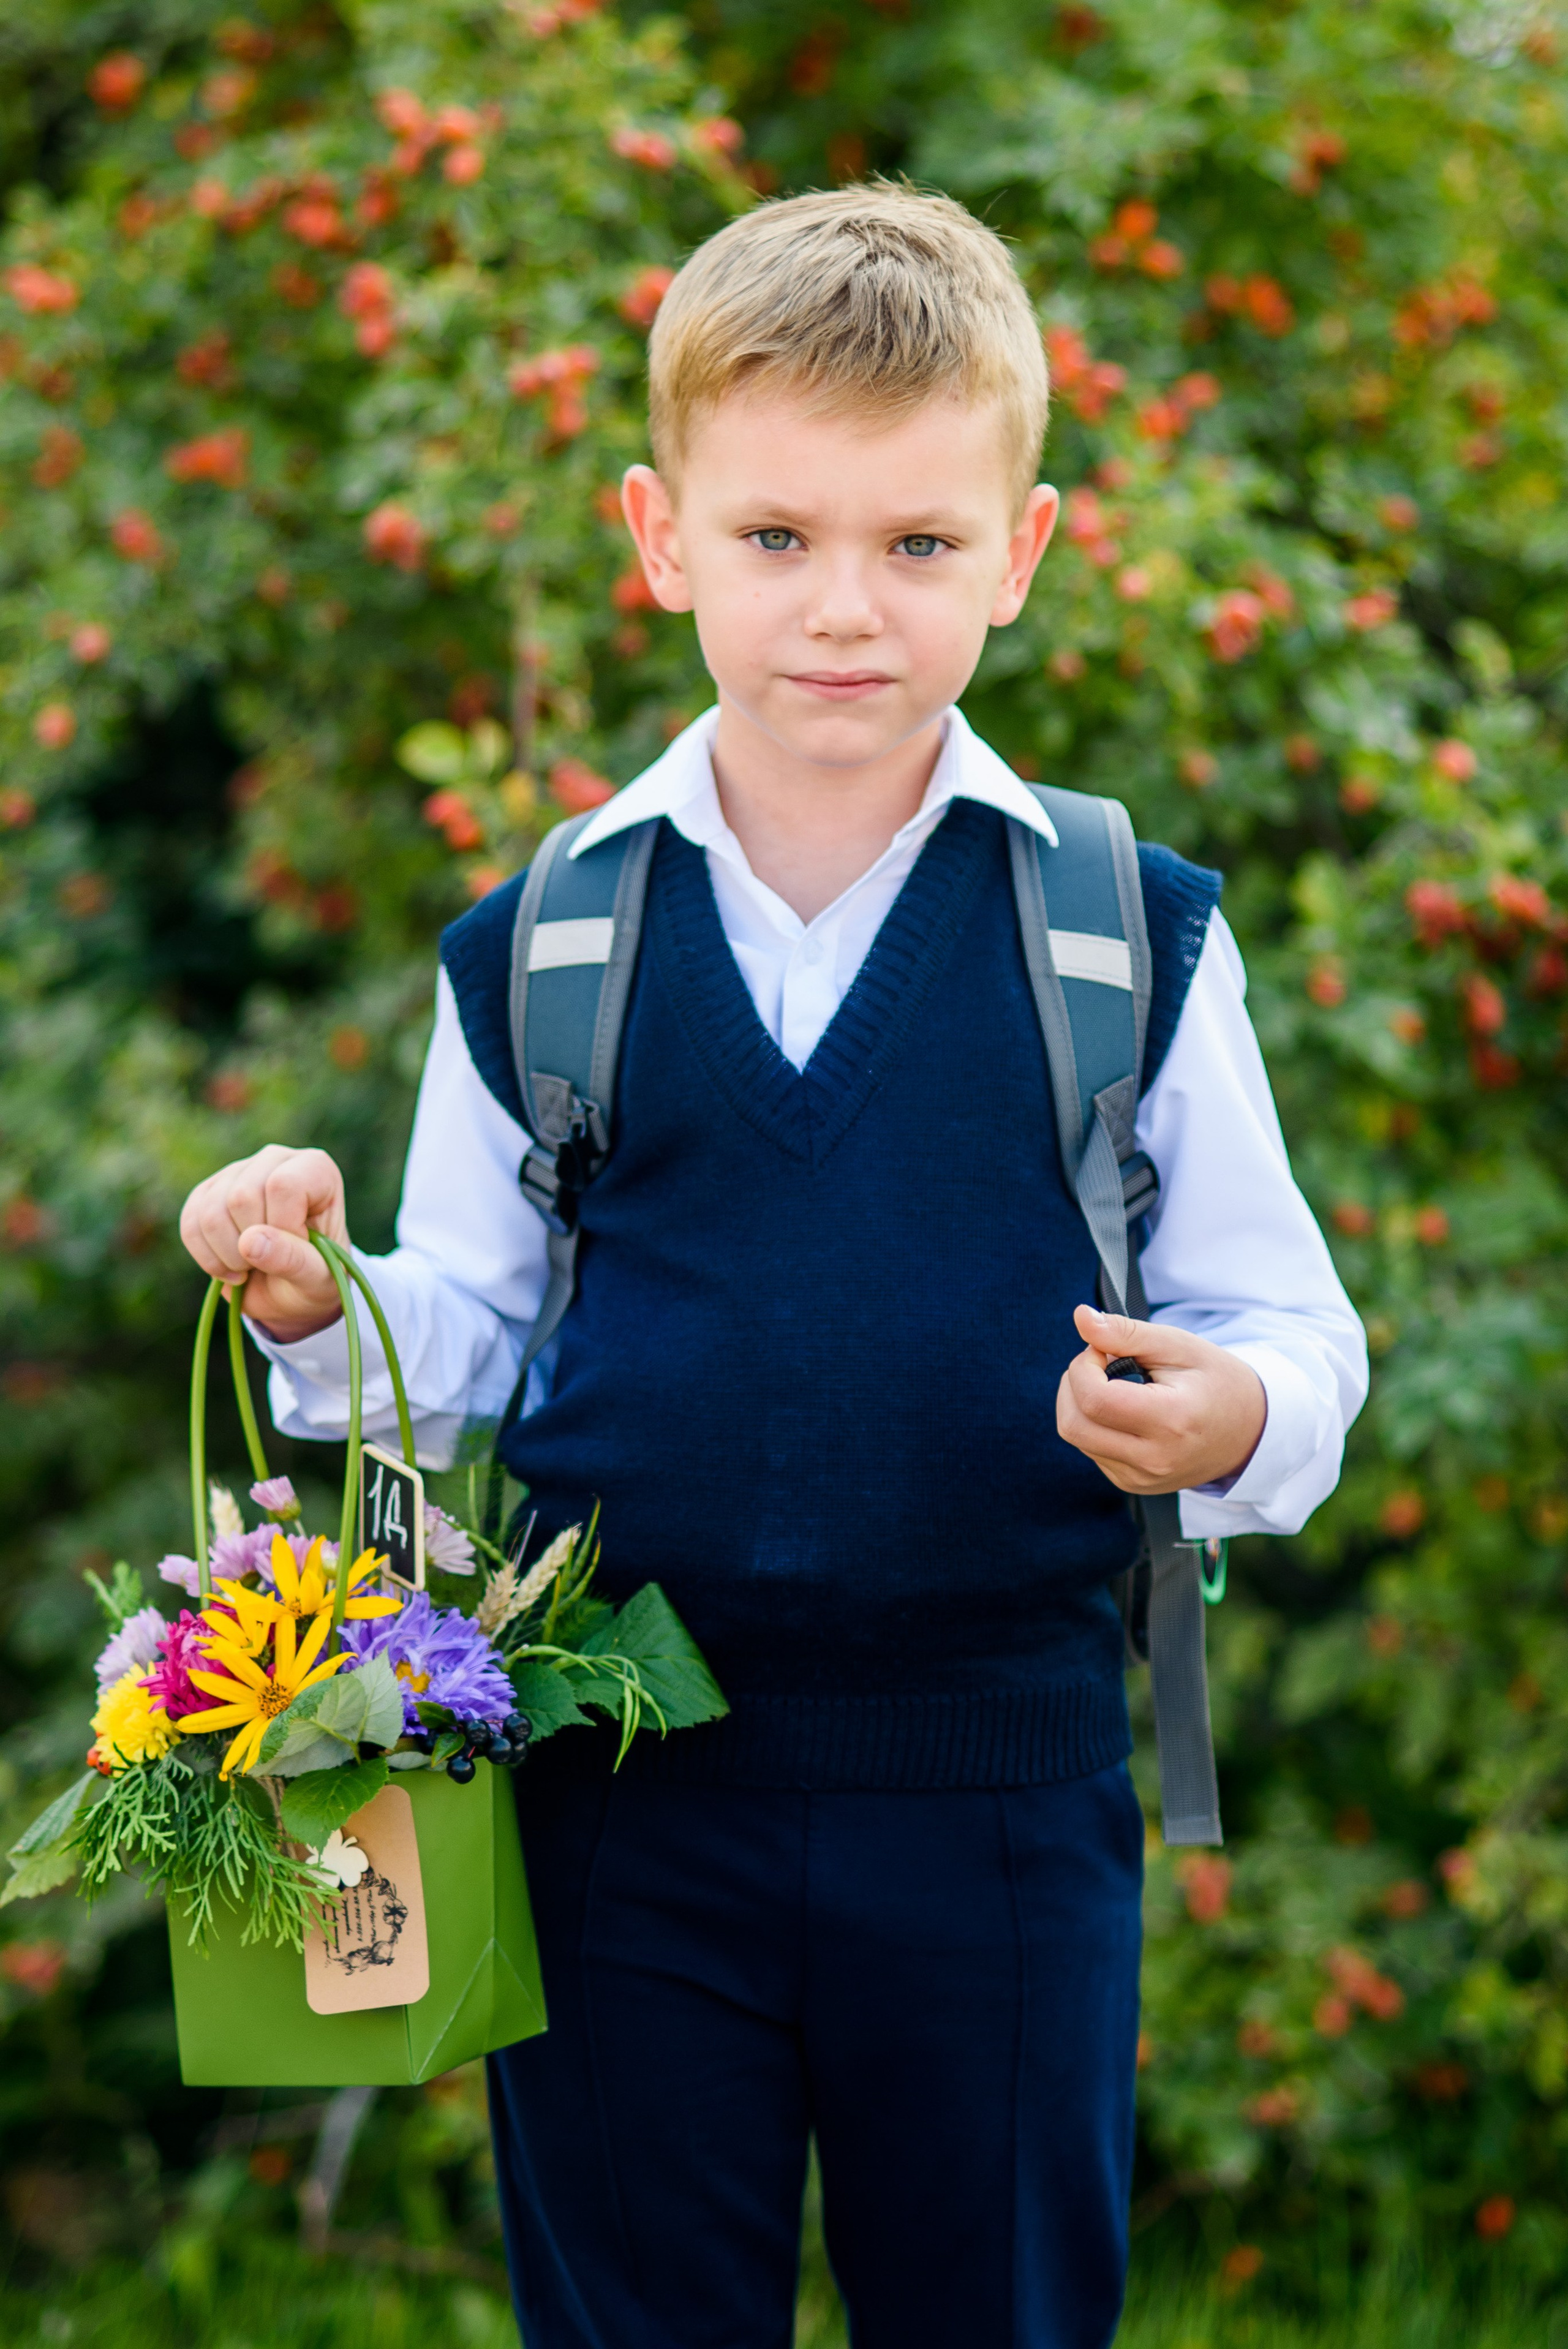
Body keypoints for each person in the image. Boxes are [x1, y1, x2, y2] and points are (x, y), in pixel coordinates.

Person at [181, 184, 1366, 2349]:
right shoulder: (547, 942)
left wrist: (1238, 1409)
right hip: (621, 1790)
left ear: (1020, 552)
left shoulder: (1122, 927)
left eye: (919, 545)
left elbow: (1286, 1321)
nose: (846, 606)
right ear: (659, 534)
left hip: (1003, 1785)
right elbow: (463, 1342)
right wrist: (310, 1296)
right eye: (775, 538)